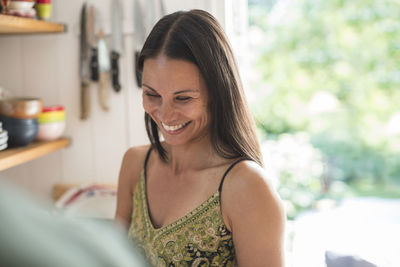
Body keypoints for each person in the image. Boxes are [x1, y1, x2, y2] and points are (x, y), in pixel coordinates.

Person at [115, 9, 285, 267]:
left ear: (218, 94)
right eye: (152, 94)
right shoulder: (134, 163)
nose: (165, 114)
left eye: (183, 98)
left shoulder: (247, 187)